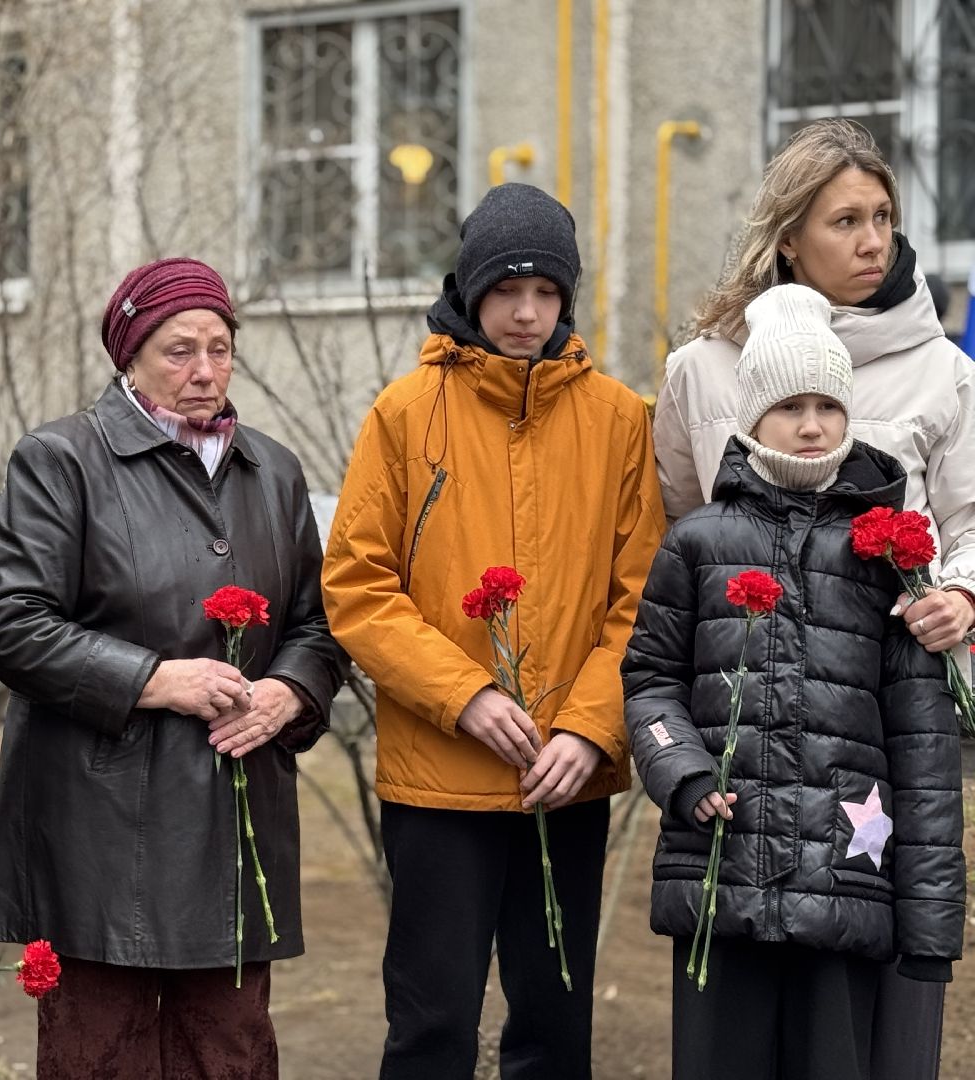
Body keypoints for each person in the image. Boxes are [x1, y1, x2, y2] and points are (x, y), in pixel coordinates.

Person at [321, 183, 666, 1079]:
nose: (525, 313)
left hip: (566, 779)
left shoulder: (619, 422)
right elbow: (358, 586)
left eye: (546, 292)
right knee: (431, 1024)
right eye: (507, 290)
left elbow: (642, 601)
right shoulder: (405, 413)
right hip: (439, 778)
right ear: (470, 290)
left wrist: (590, 729)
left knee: (554, 1026)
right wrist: (465, 695)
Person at [654, 118, 975, 1078]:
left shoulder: (943, 370)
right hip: (743, 766)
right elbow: (683, 527)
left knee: (870, 1039)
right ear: (789, 236)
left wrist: (962, 594)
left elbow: (971, 521)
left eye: (883, 216)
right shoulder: (701, 368)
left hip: (874, 745)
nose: (873, 240)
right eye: (845, 221)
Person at [0, 257, 346, 1079]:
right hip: (99, 833)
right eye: (179, 351)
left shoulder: (274, 471)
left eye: (220, 348)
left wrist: (289, 691)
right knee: (98, 1055)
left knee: (232, 1053)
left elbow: (318, 625)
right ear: (131, 356)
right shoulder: (61, 460)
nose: (204, 370)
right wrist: (155, 679)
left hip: (234, 822)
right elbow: (13, 622)